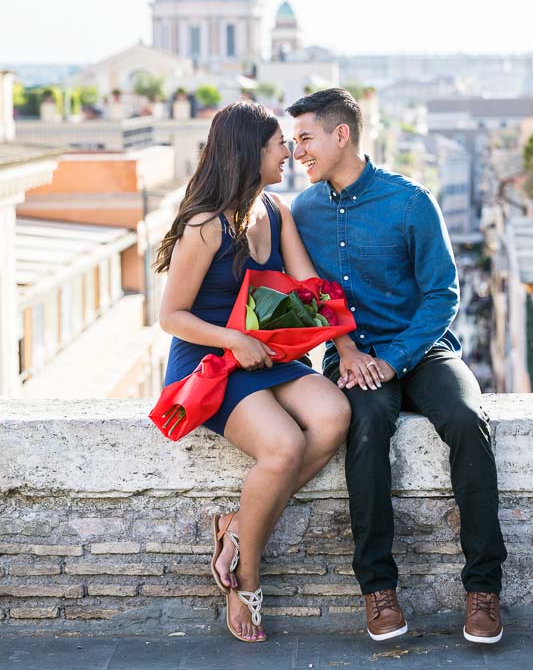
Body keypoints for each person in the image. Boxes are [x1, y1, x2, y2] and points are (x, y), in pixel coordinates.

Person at [288, 88, 507, 644]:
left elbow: (443, 295)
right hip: (353, 357)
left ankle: (484, 590)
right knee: (364, 428)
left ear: (342, 135)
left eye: (306, 139)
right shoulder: (304, 209)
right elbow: (311, 296)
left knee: (466, 419)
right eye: (292, 143)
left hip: (423, 350)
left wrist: (393, 359)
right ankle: (378, 590)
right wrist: (352, 351)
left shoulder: (411, 202)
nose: (298, 153)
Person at [155, 101, 351, 644]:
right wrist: (233, 339)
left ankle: (237, 527)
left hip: (269, 355)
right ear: (250, 152)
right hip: (212, 362)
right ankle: (246, 577)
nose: (288, 152)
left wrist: (349, 349)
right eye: (278, 145)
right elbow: (171, 316)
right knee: (284, 445)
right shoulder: (202, 225)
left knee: (335, 414)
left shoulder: (276, 209)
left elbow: (314, 292)